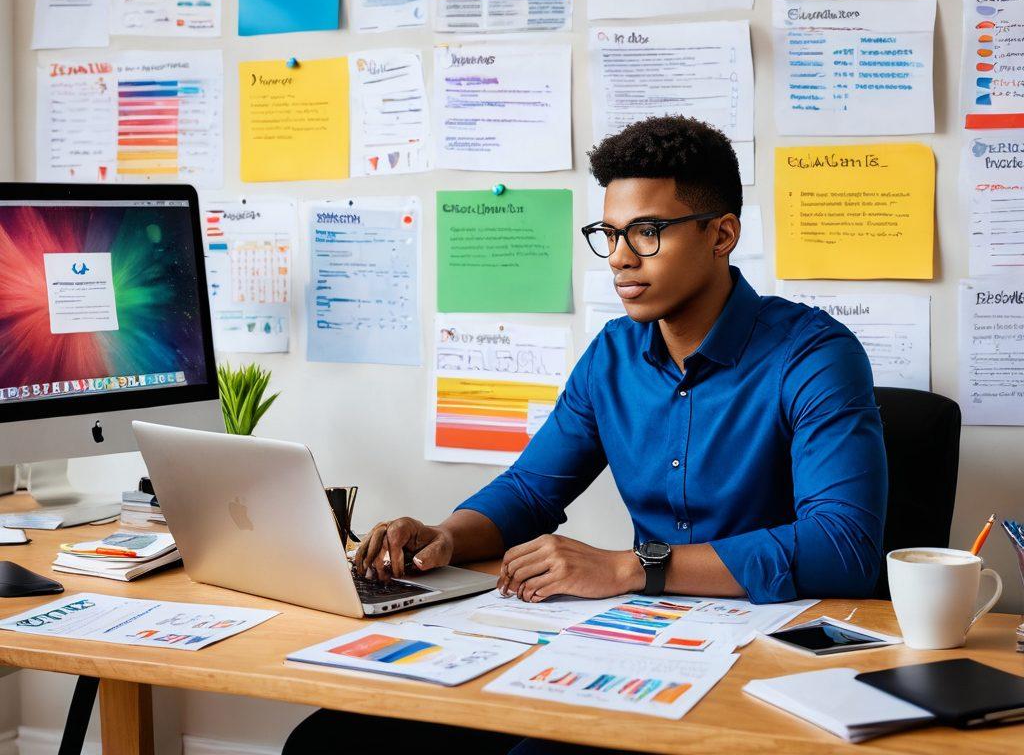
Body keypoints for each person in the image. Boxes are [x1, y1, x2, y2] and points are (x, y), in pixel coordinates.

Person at [283, 116, 887, 754]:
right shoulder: (613, 356)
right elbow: (530, 489)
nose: (622, 257)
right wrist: (446, 536)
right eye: (611, 233)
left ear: (722, 234)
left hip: (769, 662)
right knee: (329, 739)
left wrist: (631, 567)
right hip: (636, 642)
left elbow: (843, 548)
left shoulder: (815, 355)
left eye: (648, 232)